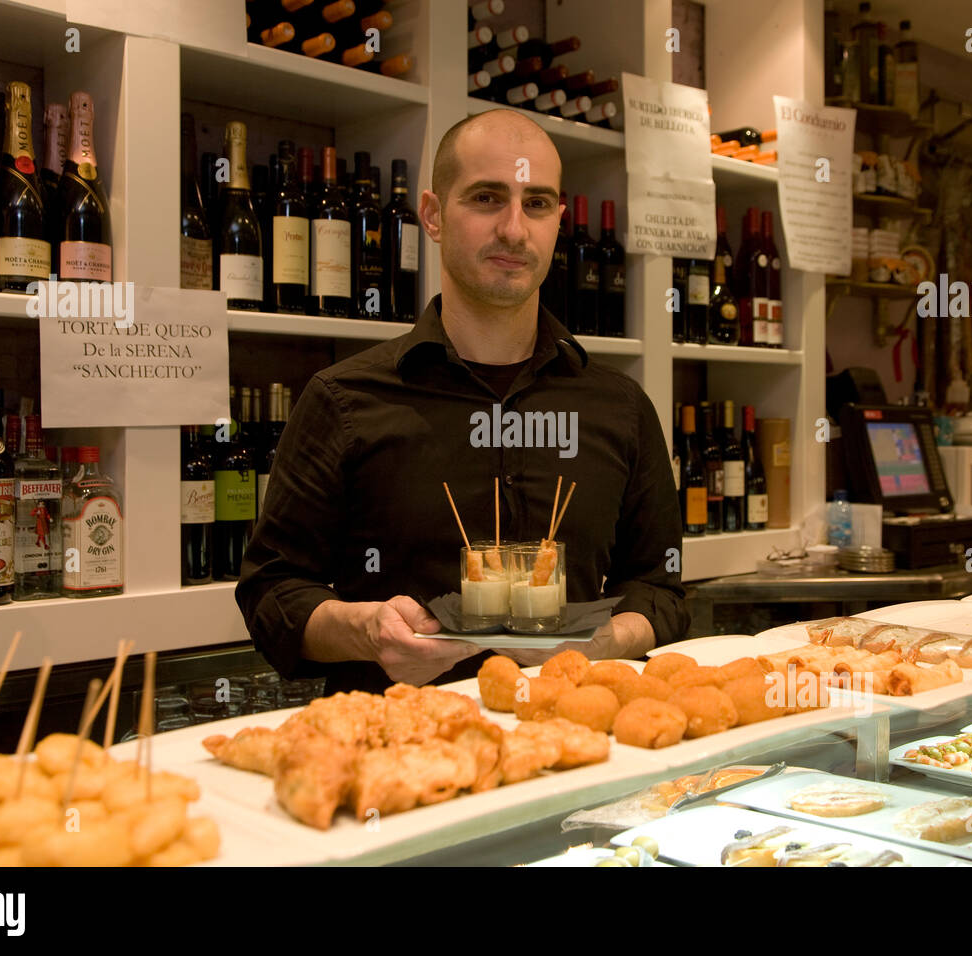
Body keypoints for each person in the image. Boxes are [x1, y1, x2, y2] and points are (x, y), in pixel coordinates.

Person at [236, 109, 687, 693]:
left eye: (538, 204)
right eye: (486, 198)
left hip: (579, 746)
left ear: (558, 221)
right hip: (403, 755)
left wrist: (606, 641)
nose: (514, 230)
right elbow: (271, 591)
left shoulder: (620, 408)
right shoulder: (343, 400)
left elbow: (662, 589)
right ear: (433, 215)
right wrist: (366, 629)